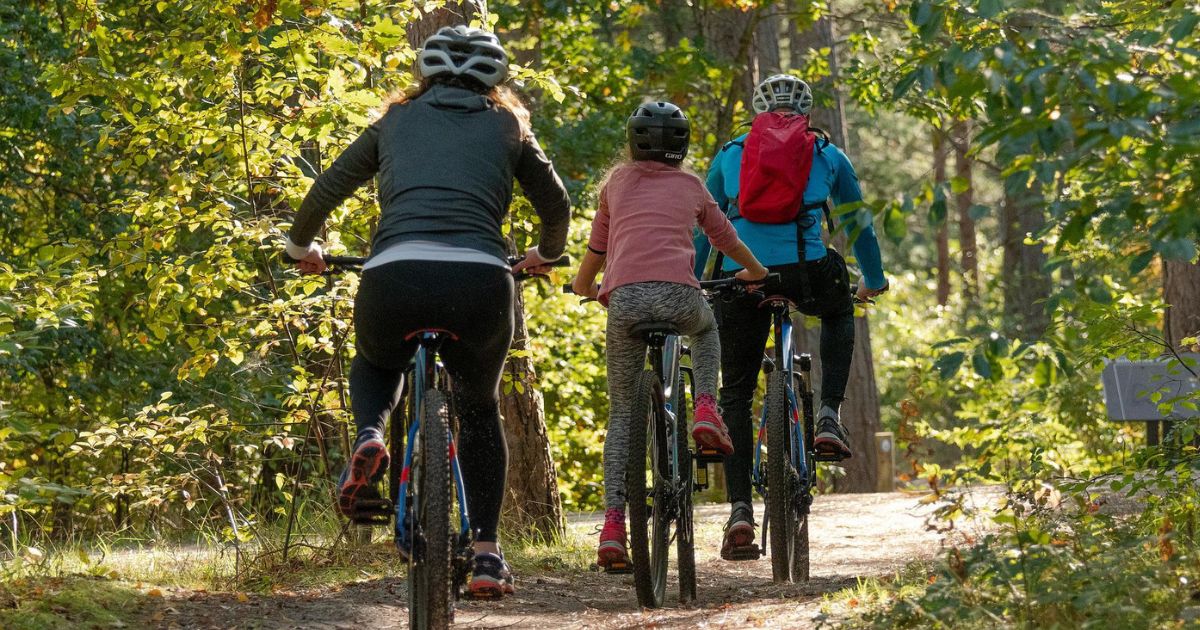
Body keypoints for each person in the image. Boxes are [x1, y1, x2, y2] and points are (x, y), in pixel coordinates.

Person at [284, 25, 571, 598]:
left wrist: (301, 248)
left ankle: (370, 433)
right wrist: (546, 253)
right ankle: (487, 554)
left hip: (396, 272)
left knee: (376, 361)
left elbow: (328, 187)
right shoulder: (508, 125)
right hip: (481, 279)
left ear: (424, 72)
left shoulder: (393, 121)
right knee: (480, 409)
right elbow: (556, 203)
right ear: (497, 79)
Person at [696, 74, 888, 559]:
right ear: (805, 111)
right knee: (840, 310)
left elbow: (703, 224)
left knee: (735, 391)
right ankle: (827, 415)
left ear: (758, 110)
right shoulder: (827, 154)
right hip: (807, 272)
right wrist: (874, 277)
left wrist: (696, 277)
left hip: (743, 276)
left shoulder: (731, 153)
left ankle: (739, 509)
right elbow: (857, 223)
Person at [571, 101, 769, 569]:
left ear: (632, 142)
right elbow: (725, 238)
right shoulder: (692, 186)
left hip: (625, 303)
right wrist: (756, 272)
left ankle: (614, 526)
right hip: (682, 298)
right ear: (682, 147)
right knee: (706, 329)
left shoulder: (616, 184)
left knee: (622, 415)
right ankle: (705, 406)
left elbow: (597, 247)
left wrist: (586, 287)